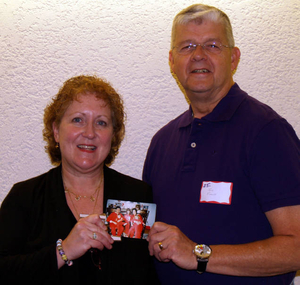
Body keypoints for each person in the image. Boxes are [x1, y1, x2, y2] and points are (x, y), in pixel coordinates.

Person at [143, 4, 300, 285]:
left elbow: (296, 246)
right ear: (171, 61)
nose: (198, 55)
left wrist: (198, 254)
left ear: (234, 57)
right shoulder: (161, 143)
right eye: (187, 46)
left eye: (212, 45)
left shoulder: (267, 132)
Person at [0, 75, 159, 284]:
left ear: (112, 136)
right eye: (78, 120)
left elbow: (145, 274)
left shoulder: (136, 195)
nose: (89, 133)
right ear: (56, 131)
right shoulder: (25, 198)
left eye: (101, 123)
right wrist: (63, 251)